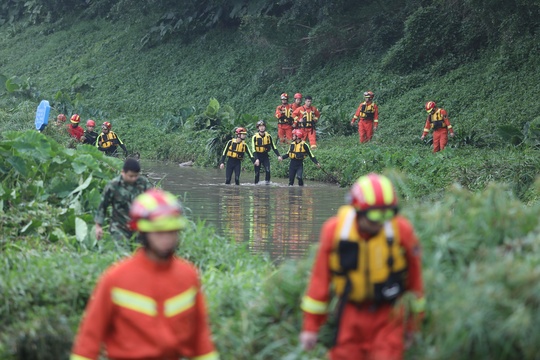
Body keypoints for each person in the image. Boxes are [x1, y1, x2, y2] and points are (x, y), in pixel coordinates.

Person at [70, 188, 220, 360]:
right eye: (159, 232)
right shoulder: (116, 279)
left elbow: (201, 340)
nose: (166, 238)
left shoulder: (188, 276)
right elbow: (88, 342)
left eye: (171, 231)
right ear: (142, 232)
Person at [299, 173, 425, 360]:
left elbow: (415, 283)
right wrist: (311, 327)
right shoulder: (334, 231)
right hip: (350, 316)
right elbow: (320, 282)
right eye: (374, 215)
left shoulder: (402, 231)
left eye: (387, 214)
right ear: (357, 210)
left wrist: (414, 325)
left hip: (388, 317)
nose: (380, 222)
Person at [95, 158, 152, 242]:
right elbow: (103, 206)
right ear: (123, 172)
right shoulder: (113, 186)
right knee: (121, 252)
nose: (134, 179)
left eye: (136, 176)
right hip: (119, 228)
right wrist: (98, 226)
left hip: (139, 228)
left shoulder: (143, 183)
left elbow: (153, 201)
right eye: (131, 176)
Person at [252, 120, 282, 184]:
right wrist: (256, 159)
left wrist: (278, 155)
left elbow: (273, 146)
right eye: (260, 126)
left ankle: (267, 185)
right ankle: (256, 186)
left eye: (263, 126)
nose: (262, 128)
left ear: (265, 127)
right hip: (257, 156)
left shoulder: (268, 136)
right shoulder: (255, 137)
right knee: (257, 173)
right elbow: (253, 149)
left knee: (268, 171)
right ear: (258, 128)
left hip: (265, 156)